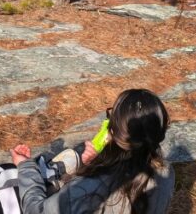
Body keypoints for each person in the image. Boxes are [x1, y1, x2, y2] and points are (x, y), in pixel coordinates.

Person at [11, 89, 174, 214]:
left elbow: (36, 210)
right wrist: (98, 162)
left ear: (113, 132)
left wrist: (25, 166)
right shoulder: (166, 172)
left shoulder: (88, 186)